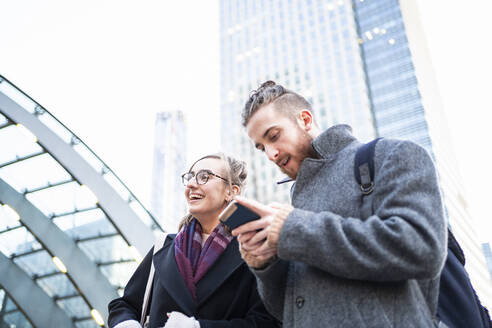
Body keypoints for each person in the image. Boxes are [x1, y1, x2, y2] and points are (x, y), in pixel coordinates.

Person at [232, 81, 448, 327]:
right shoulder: (294, 207)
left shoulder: (392, 154)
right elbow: (288, 311)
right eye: (262, 148)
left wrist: (292, 229)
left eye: (274, 136)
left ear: (304, 120)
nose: (271, 154)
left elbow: (423, 247)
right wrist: (266, 266)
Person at [108, 153, 280, 328]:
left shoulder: (255, 248)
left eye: (204, 177)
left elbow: (267, 322)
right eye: (189, 177)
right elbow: (124, 305)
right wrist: (126, 323)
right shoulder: (165, 246)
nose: (190, 184)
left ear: (231, 191)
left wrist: (199, 327)